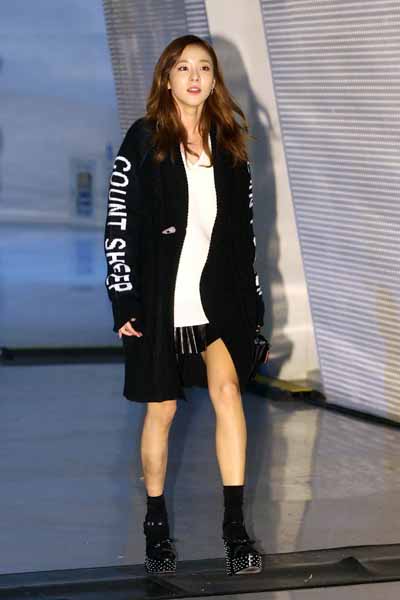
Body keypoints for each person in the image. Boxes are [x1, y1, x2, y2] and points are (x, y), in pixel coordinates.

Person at [104, 34, 267, 576]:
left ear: (214, 80)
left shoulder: (230, 144)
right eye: (183, 68)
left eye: (204, 68)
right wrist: (123, 298)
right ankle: (156, 526)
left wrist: (255, 315)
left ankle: (234, 529)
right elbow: (118, 223)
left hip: (216, 299)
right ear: (166, 79)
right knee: (163, 411)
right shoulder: (144, 138)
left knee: (228, 392)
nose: (194, 77)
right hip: (160, 301)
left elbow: (244, 237)